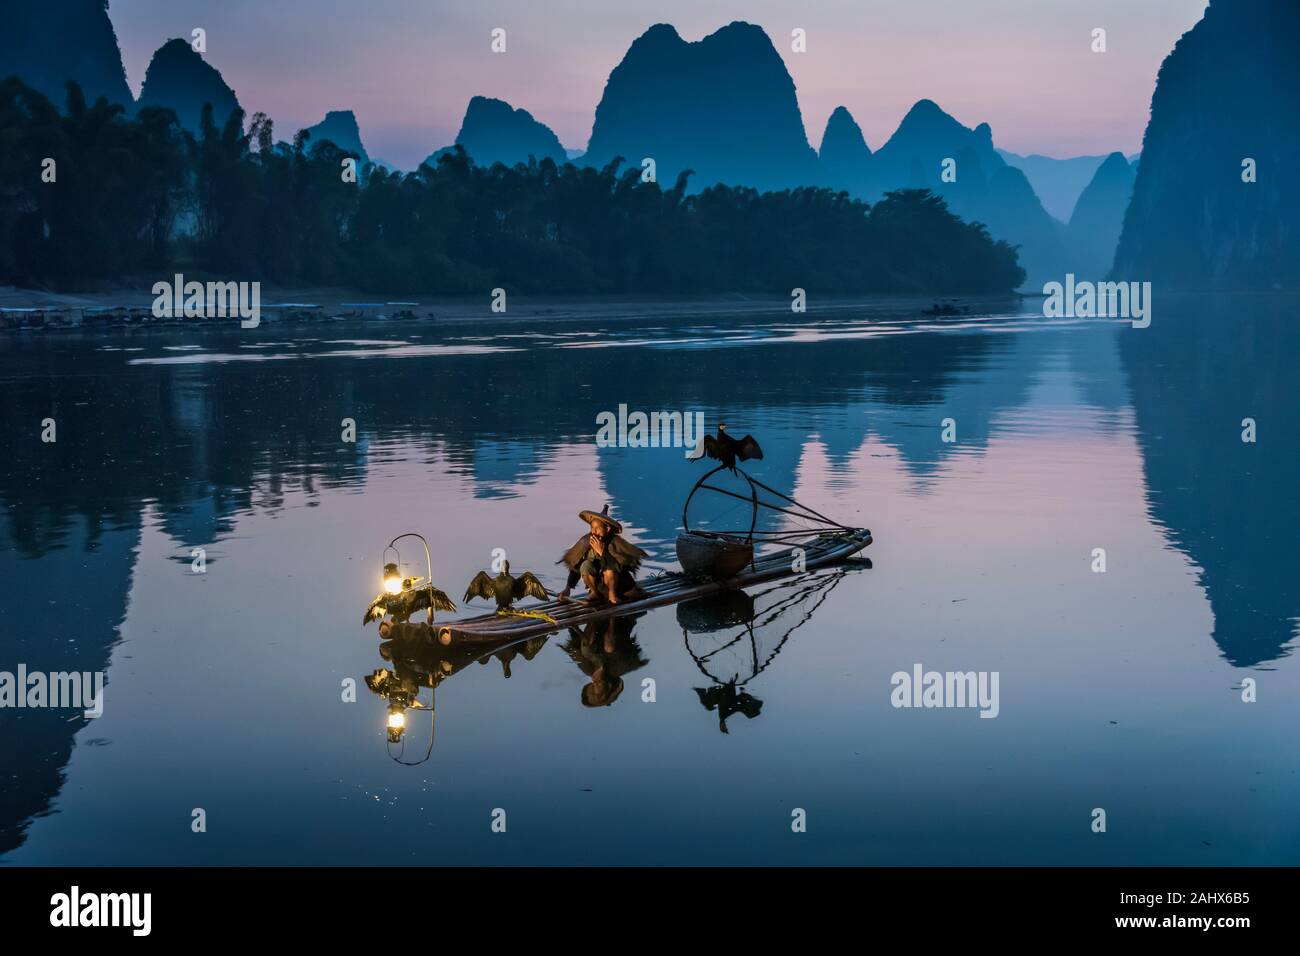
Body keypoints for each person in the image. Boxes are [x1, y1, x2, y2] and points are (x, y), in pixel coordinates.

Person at [557, 504, 648, 605]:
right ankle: (595, 592)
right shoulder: (587, 541)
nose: (594, 531)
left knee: (608, 569)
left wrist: (601, 551)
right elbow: (576, 567)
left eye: (597, 528)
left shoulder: (616, 543)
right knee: (585, 565)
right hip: (600, 586)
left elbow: (616, 566)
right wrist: (568, 589)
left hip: (619, 585)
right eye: (592, 528)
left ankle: (612, 594)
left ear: (607, 529)